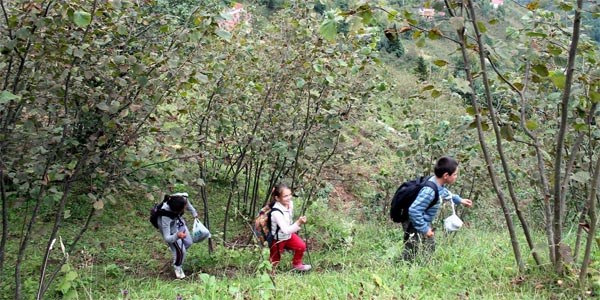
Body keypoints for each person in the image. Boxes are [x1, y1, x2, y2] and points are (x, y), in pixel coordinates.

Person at [402, 156, 473, 261]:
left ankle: (426, 267)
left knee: (429, 247)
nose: (456, 177)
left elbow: (443, 193)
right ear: (445, 175)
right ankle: (404, 267)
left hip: (422, 220)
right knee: (412, 248)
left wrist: (459, 200)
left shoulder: (437, 182)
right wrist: (425, 229)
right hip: (414, 221)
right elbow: (414, 210)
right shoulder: (429, 191)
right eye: (455, 174)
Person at [269, 183, 311, 272]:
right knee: (275, 259)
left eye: (289, 195)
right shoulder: (276, 212)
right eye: (285, 196)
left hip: (288, 236)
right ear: (277, 198)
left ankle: (297, 265)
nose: (289, 198)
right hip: (278, 239)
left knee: (301, 246)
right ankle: (271, 274)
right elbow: (286, 230)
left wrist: (296, 224)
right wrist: (298, 223)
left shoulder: (290, 204)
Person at [159, 192, 199, 279]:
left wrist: (194, 213)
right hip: (170, 228)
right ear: (176, 211)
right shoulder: (165, 216)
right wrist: (177, 235)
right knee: (181, 251)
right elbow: (167, 237)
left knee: (188, 242)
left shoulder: (181, 199)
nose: (186, 207)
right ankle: (178, 269)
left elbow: (187, 204)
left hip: (178, 222)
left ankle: (176, 252)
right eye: (183, 208)